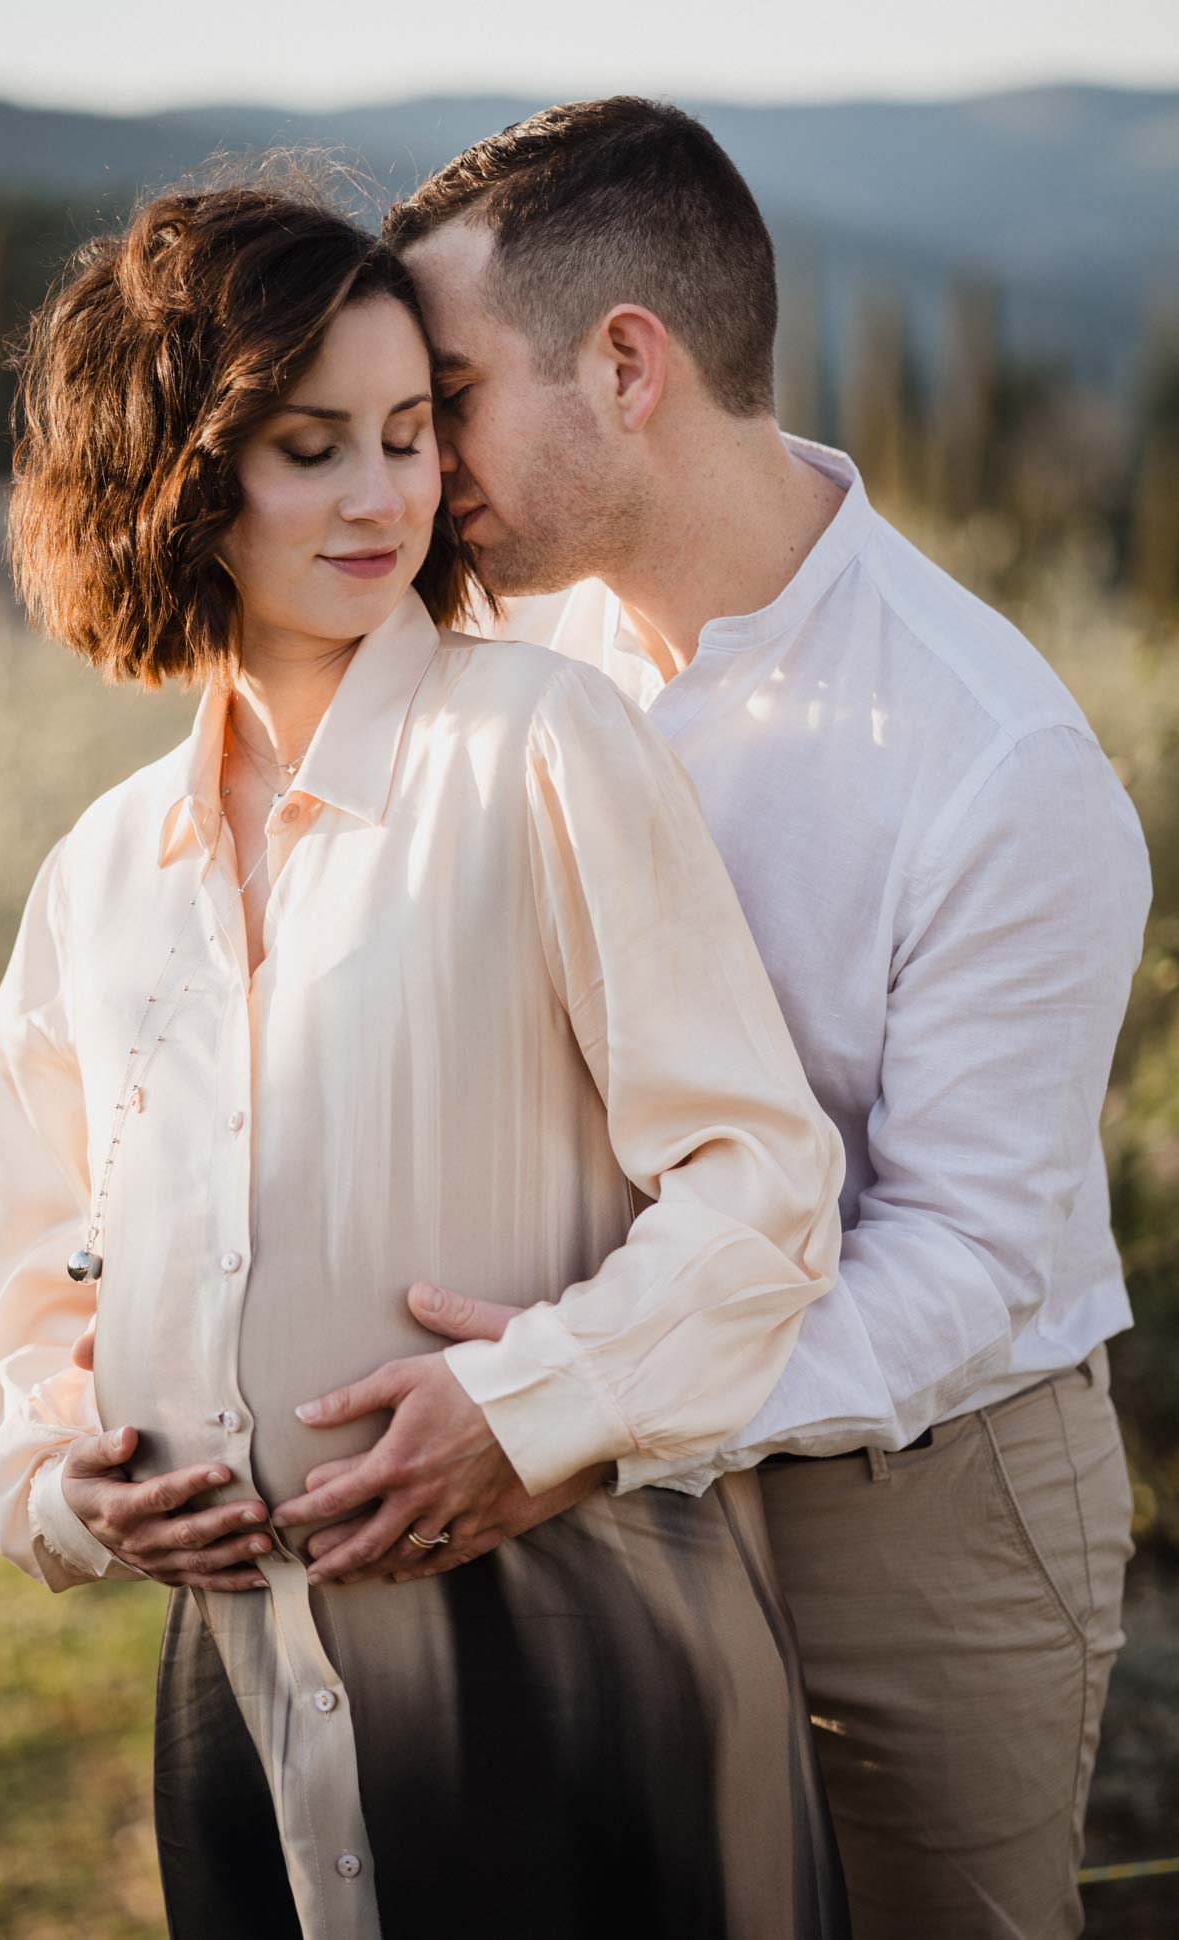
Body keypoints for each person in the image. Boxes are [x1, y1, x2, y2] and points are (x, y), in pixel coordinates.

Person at [198, 99, 1147, 1939]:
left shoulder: (995, 762)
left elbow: (960, 1250)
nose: (412, 468)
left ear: (626, 364)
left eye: (446, 398)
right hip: (566, 1473)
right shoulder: (506, 659)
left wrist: (586, 1411)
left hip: (916, 1502)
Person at [0, 175, 852, 1940]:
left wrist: (529, 1411)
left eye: (407, 432)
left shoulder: (542, 743)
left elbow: (762, 1186)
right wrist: (67, 1486)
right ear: (172, 476)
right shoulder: (95, 876)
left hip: (578, 1650)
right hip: (232, 1691)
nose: (384, 496)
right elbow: (35, 1309)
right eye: (311, 447)